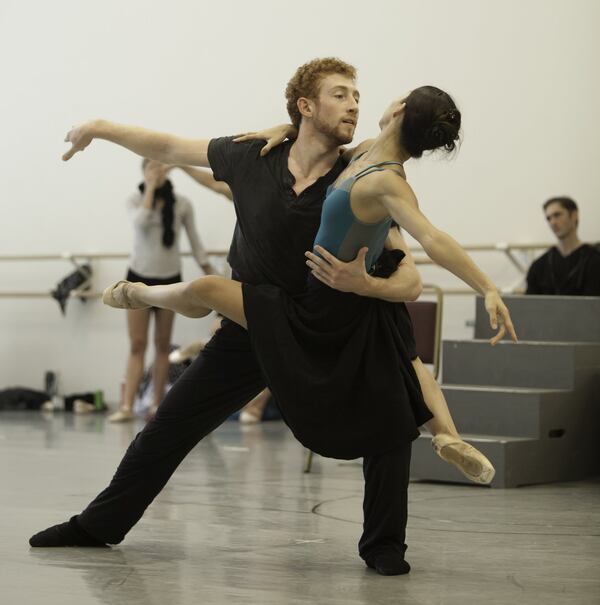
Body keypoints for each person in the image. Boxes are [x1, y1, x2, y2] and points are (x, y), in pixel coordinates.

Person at [30, 59, 514, 577]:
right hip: (253, 323)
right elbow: (167, 146)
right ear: (306, 107)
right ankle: (99, 525)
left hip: (326, 327)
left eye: (357, 94)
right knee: (170, 424)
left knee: (391, 423)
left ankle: (384, 546)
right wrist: (97, 128)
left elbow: (411, 277)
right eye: (340, 94)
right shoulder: (251, 155)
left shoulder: (357, 173)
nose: (354, 104)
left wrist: (367, 284)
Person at [109, 159, 217, 423]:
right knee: (137, 344)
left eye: (160, 167)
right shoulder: (134, 200)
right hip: (137, 279)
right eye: (151, 168)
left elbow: (194, 241)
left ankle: (156, 404)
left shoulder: (181, 203)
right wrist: (149, 187)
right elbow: (140, 223)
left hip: (169, 280)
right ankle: (127, 406)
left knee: (161, 344)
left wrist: (209, 272)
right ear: (144, 172)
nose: (157, 171)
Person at [526, 196, 600, 296]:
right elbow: (530, 306)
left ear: (574, 215)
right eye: (549, 218)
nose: (552, 222)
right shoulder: (539, 266)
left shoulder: (594, 260)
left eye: (557, 215)